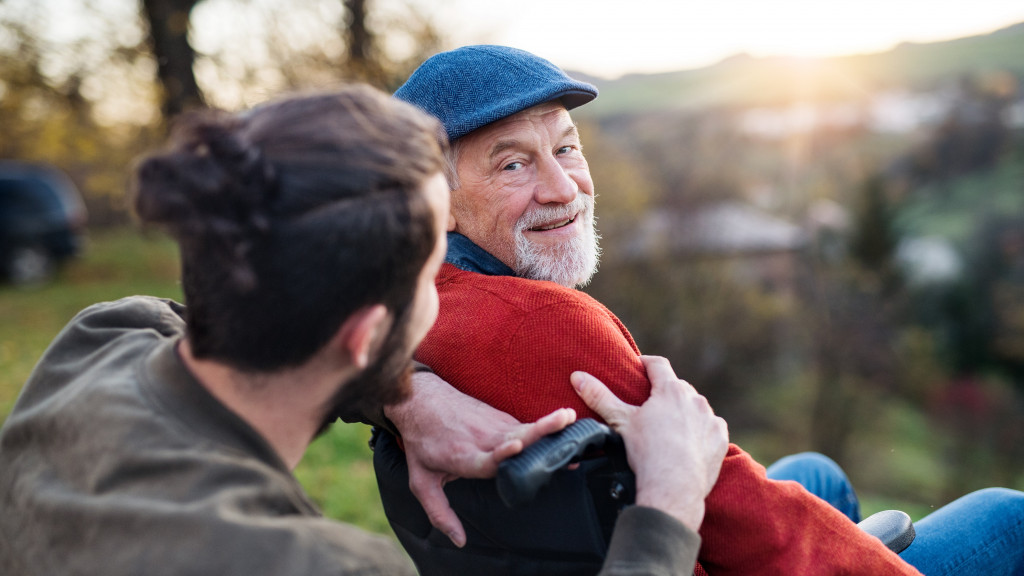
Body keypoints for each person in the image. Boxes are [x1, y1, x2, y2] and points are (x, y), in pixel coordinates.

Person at [0, 84, 730, 576]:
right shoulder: (315, 564)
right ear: (361, 332)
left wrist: (404, 395)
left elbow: (190, 324)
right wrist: (665, 510)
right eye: (429, 273)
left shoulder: (99, 339)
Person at [368, 45, 1024, 576]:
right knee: (1006, 516)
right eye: (514, 165)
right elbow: (744, 514)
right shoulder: (546, 325)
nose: (564, 189)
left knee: (816, 473)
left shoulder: (390, 316)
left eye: (566, 148)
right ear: (438, 201)